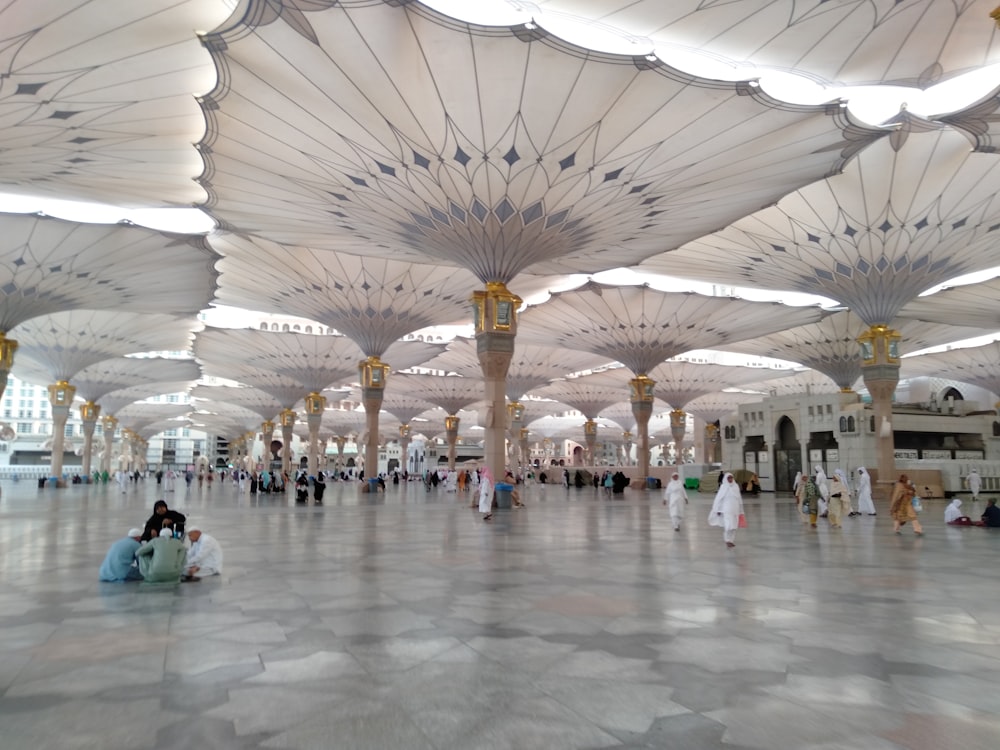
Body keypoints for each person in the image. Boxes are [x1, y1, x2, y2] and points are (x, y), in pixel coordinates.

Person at [708, 472, 744, 548]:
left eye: (731, 478)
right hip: (726, 509)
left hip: (735, 509)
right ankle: (727, 540)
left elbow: (739, 498)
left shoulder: (736, 486)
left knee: (734, 526)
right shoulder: (723, 487)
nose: (730, 479)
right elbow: (719, 499)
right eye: (729, 478)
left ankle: (731, 540)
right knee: (728, 525)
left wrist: (741, 510)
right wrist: (718, 509)